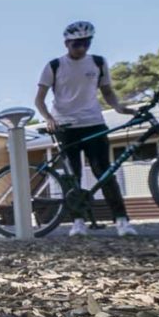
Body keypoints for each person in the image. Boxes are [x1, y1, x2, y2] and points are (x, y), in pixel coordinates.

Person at [34, 21, 138, 237]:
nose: (81, 48)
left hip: (93, 123)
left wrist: (119, 107)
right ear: (67, 44)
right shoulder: (54, 65)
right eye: (76, 44)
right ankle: (78, 223)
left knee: (105, 172)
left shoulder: (98, 63)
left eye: (86, 43)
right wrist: (48, 118)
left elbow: (107, 91)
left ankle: (121, 221)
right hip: (65, 126)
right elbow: (40, 100)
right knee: (73, 177)